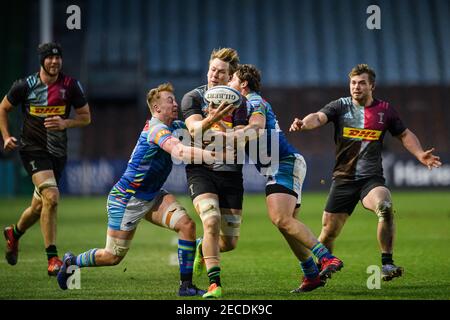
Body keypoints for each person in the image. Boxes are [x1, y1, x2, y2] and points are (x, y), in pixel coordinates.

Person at [56, 83, 215, 296]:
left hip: (152, 195)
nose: (175, 103)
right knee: (113, 256)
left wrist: (214, 115)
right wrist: (209, 156)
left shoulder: (175, 125)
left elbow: (199, 129)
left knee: (186, 226)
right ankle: (71, 261)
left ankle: (185, 287)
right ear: (157, 108)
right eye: (170, 100)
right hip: (127, 199)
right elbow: (178, 150)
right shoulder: (157, 129)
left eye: (175, 99)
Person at [289, 64, 442, 281]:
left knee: (385, 206)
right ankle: (320, 271)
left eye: (362, 83)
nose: (356, 87)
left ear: (372, 86)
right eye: (353, 83)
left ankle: (387, 264)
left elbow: (404, 134)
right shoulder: (340, 106)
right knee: (329, 231)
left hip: (371, 179)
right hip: (343, 178)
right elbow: (319, 117)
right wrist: (304, 123)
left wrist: (419, 154)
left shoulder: (385, 110)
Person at [228, 64, 343, 292]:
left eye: (231, 78)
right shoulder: (245, 104)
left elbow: (258, 126)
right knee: (286, 225)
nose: (228, 82)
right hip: (282, 165)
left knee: (281, 219)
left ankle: (326, 258)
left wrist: (231, 136)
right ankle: (311, 275)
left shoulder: (253, 101)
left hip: (284, 164)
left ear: (243, 84)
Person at [0, 42, 91, 275]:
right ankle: (52, 258)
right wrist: (6, 136)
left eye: (58, 58)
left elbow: (85, 117)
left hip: (57, 153)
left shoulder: (70, 86)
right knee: (52, 196)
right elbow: (3, 107)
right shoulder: (25, 85)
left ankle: (14, 233)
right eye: (49, 58)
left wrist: (65, 122)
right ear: (41, 61)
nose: (54, 62)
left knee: (39, 205)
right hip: (32, 150)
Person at [180, 48, 248, 298]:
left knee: (229, 243)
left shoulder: (239, 102)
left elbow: (241, 139)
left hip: (231, 174)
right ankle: (214, 284)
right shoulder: (192, 98)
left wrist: (225, 133)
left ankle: (201, 249)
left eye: (221, 72)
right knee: (210, 221)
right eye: (212, 69)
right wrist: (214, 122)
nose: (215, 75)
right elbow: (195, 130)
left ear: (230, 76)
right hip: (202, 170)